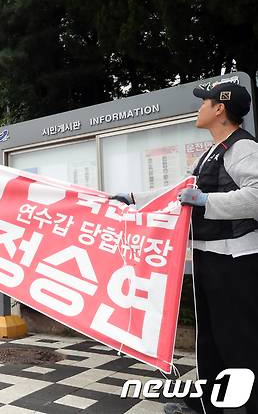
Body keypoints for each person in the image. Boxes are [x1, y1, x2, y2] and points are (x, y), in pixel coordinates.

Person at [112, 83, 258, 414]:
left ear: (220, 109)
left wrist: (207, 200)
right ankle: (207, 405)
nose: (199, 108)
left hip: (235, 260)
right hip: (211, 257)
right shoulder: (215, 149)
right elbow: (181, 191)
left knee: (240, 343)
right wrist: (134, 199)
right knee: (210, 341)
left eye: (204, 102)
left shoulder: (243, 148)